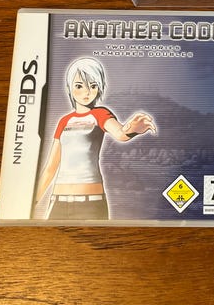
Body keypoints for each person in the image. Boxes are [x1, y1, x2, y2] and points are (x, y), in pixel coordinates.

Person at [35, 57, 157, 220]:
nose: (86, 92)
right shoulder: (64, 121)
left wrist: (132, 129)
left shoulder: (100, 114)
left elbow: (120, 133)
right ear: (70, 87)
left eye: (92, 86)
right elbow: (51, 167)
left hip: (91, 203)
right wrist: (33, 200)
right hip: (57, 202)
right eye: (79, 86)